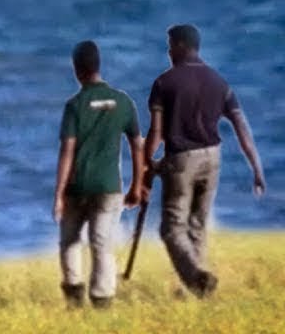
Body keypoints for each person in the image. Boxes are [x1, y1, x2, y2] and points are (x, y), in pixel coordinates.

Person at [143, 24, 266, 298]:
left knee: (171, 229)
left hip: (182, 159)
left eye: (171, 45)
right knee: (197, 225)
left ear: (182, 46)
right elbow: (241, 126)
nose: (168, 51)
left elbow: (157, 132)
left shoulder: (165, 82)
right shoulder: (219, 82)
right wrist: (256, 168)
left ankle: (197, 278)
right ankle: (198, 291)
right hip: (213, 157)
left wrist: (145, 162)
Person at [53, 40, 145, 309]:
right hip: (108, 187)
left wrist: (58, 194)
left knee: (70, 241)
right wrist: (137, 184)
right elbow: (137, 144)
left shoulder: (75, 105)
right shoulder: (123, 101)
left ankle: (74, 297)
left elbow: (67, 151)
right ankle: (102, 301)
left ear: (76, 69)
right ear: (98, 65)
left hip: (77, 186)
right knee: (101, 244)